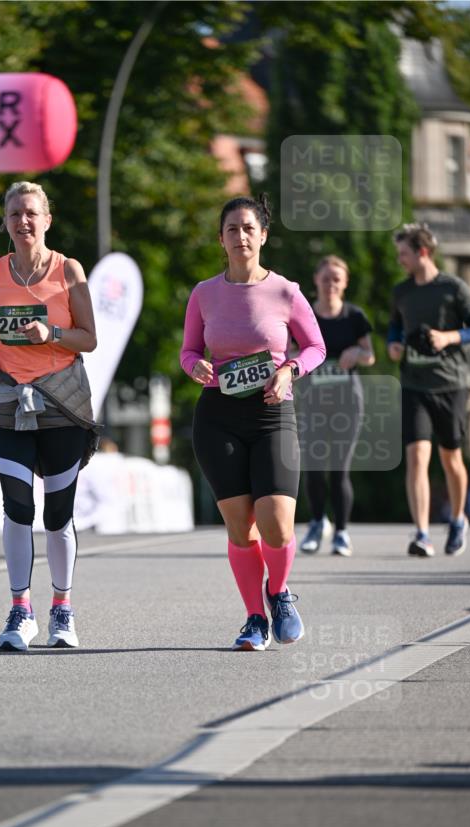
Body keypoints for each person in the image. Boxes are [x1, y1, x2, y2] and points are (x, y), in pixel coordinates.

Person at [181, 195, 326, 651]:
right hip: (218, 417)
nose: (240, 236)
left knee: (278, 523)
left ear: (262, 235)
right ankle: (253, 619)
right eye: (231, 229)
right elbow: (189, 351)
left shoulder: (286, 291)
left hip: (271, 414)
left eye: (248, 228)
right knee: (242, 529)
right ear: (221, 239)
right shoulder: (204, 293)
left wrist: (289, 370)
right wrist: (194, 367)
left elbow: (315, 347)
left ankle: (279, 593)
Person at [0, 181, 97, 650]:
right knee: (17, 506)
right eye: (14, 215)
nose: (22, 222)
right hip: (7, 399)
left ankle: (61, 610)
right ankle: (20, 610)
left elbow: (89, 338)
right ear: (5, 223)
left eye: (30, 213)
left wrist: (52, 331)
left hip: (60, 402)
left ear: (47, 219)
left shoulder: (68, 271)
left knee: (57, 513)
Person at [387, 223, 470, 557]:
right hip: (413, 384)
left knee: (450, 457)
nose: (400, 261)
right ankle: (421, 533)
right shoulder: (401, 291)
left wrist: (448, 337)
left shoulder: (453, 288)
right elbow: (395, 325)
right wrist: (394, 344)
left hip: (450, 383)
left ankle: (456, 518)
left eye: (404, 254)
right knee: (416, 457)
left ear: (422, 252)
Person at [298, 255, 375, 557]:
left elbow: (370, 355)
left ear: (345, 283)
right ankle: (317, 523)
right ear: (316, 280)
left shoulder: (354, 316)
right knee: (314, 469)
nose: (330, 284)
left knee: (339, 470)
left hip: (347, 403)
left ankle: (341, 532)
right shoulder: (304, 315)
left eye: (337, 279)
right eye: (326, 277)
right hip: (314, 402)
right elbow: (290, 350)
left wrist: (356, 352)